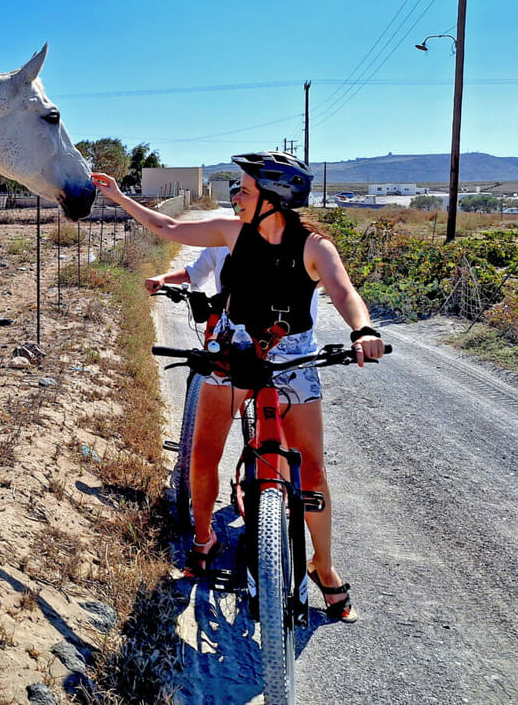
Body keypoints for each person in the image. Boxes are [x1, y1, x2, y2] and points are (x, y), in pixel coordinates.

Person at [94, 152, 385, 623]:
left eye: (245, 190)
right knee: (205, 455)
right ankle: (204, 537)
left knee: (311, 472)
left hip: (292, 354)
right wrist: (118, 195)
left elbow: (344, 291)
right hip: (235, 348)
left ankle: (323, 566)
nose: (236, 197)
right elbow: (169, 231)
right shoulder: (233, 231)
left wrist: (363, 331)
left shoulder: (314, 246)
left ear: (273, 200)